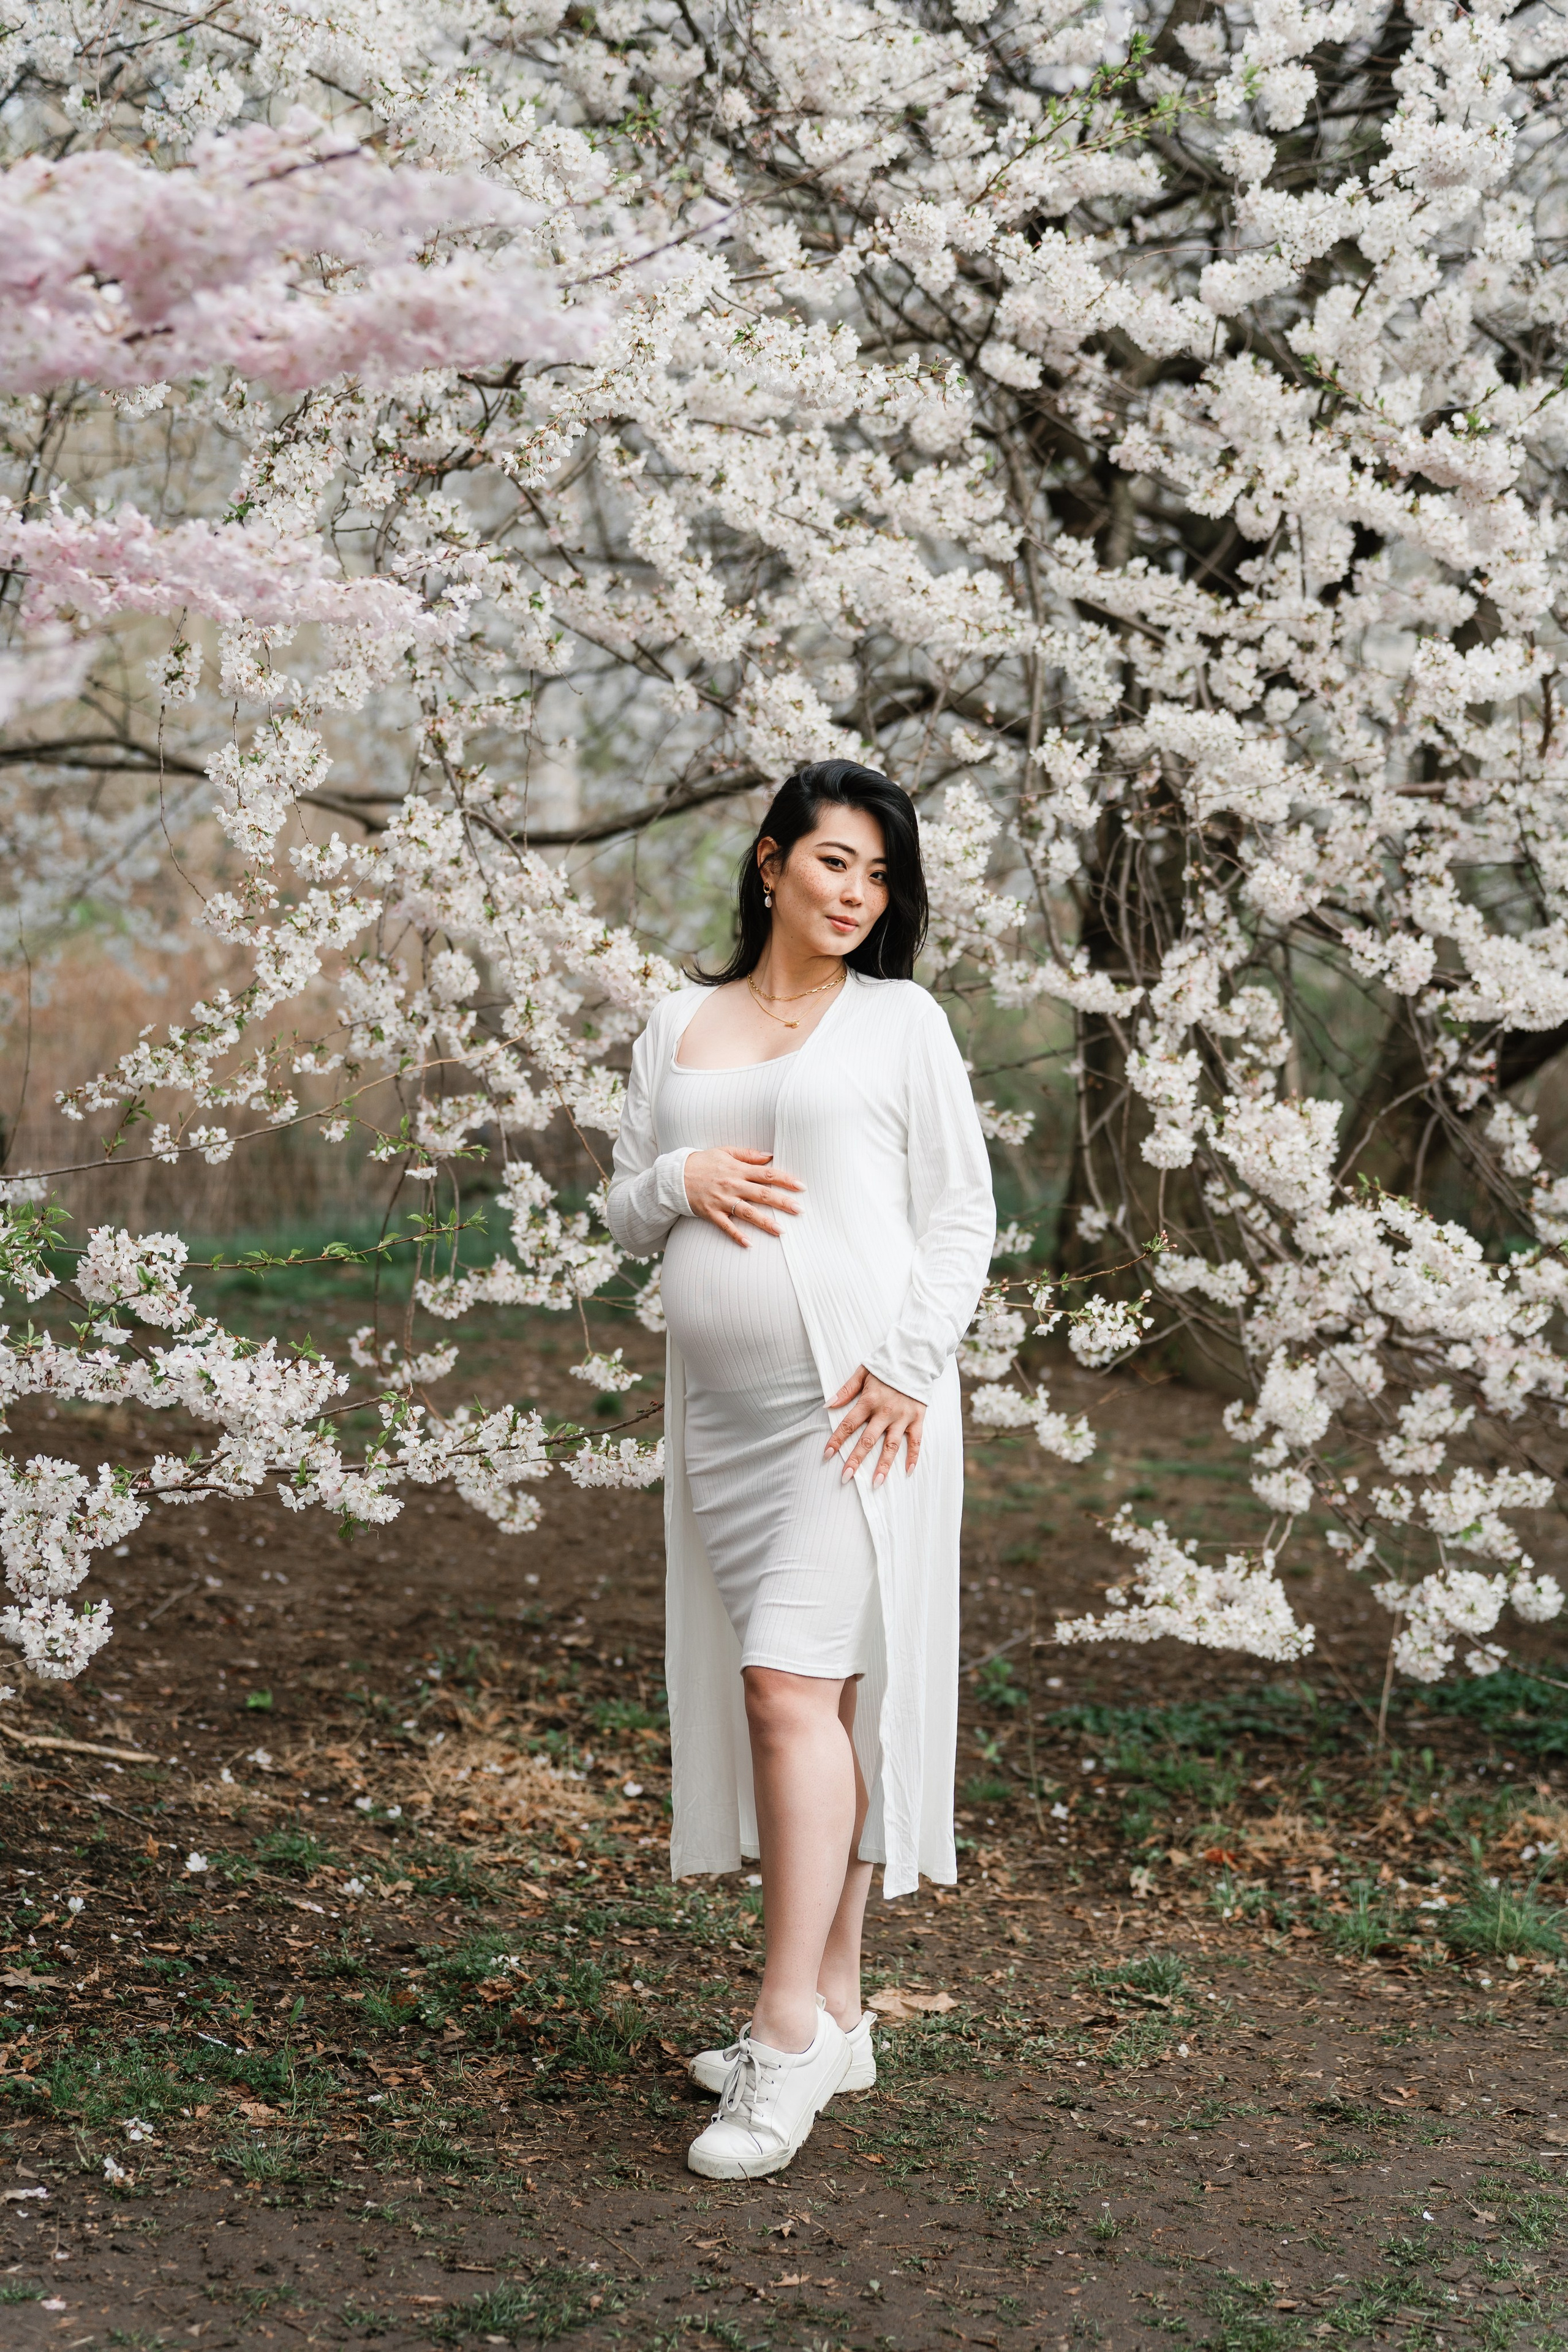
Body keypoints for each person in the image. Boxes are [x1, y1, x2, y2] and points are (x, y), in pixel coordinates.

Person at [605, 759, 995, 2180]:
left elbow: (960, 1217)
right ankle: (835, 2004)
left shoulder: (901, 1022)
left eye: (880, 875)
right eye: (836, 863)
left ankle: (780, 2041)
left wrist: (904, 1364)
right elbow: (618, 1201)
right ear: (770, 863)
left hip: (860, 1408)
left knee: (787, 1688)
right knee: (805, 1699)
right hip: (725, 1426)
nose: (857, 895)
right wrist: (680, 1183)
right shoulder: (676, 1021)